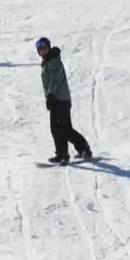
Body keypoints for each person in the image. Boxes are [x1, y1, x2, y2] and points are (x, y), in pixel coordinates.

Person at [36, 37, 92, 165]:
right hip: (61, 99)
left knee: (57, 129)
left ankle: (62, 155)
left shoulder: (53, 61)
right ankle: (83, 149)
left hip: (59, 100)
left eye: (44, 47)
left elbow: (55, 80)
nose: (42, 50)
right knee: (65, 129)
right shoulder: (49, 61)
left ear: (49, 47)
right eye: (39, 48)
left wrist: (50, 95)